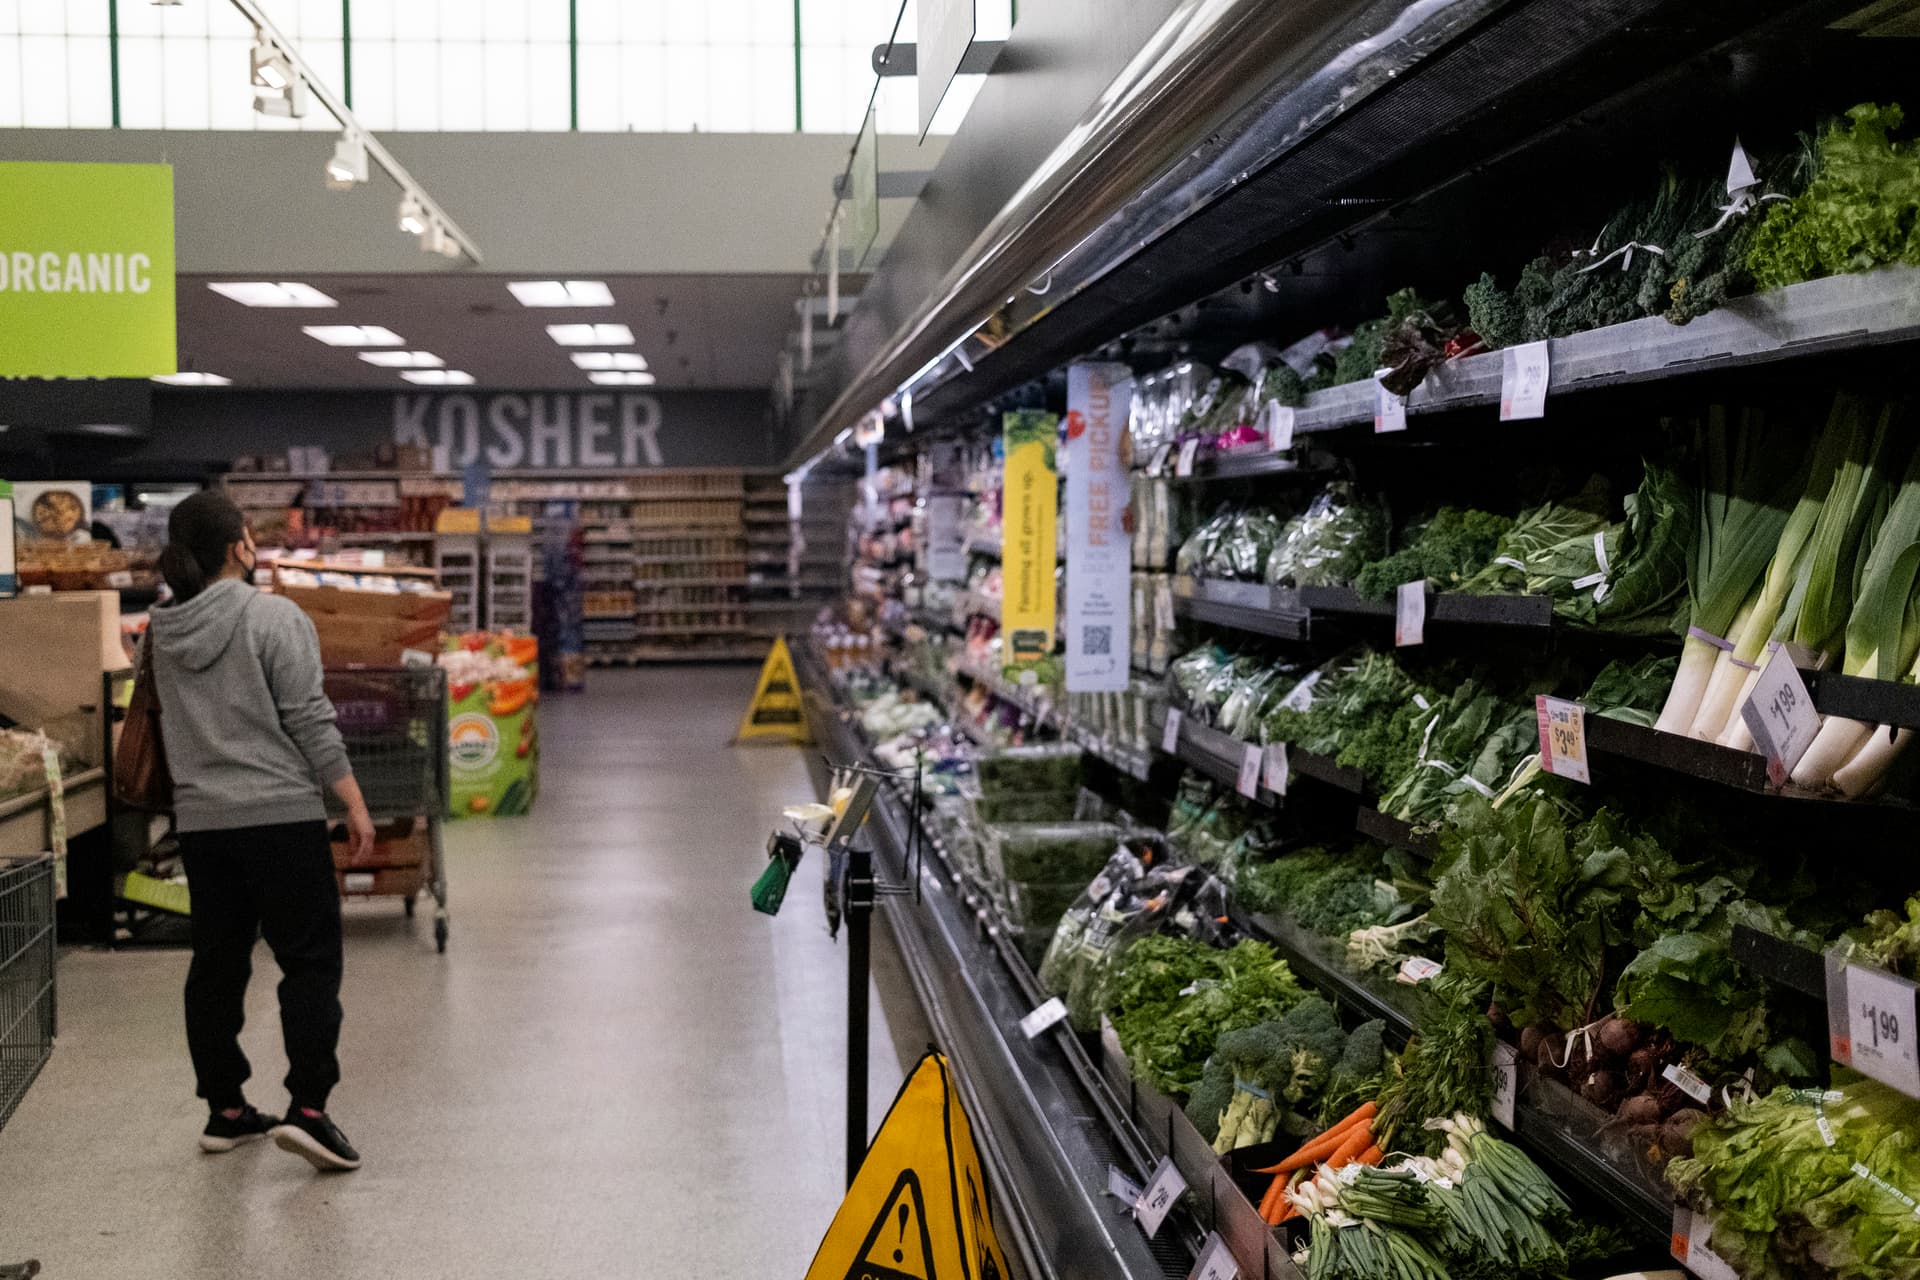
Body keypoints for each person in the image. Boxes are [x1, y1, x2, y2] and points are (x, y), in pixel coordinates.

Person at [146, 491, 376, 1172]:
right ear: (239, 546)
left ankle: (225, 1108)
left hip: (203, 824)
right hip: (279, 816)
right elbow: (309, 718)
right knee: (308, 962)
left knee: (216, 964)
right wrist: (354, 803)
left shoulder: (162, 632)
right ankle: (308, 1109)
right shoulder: (275, 617)